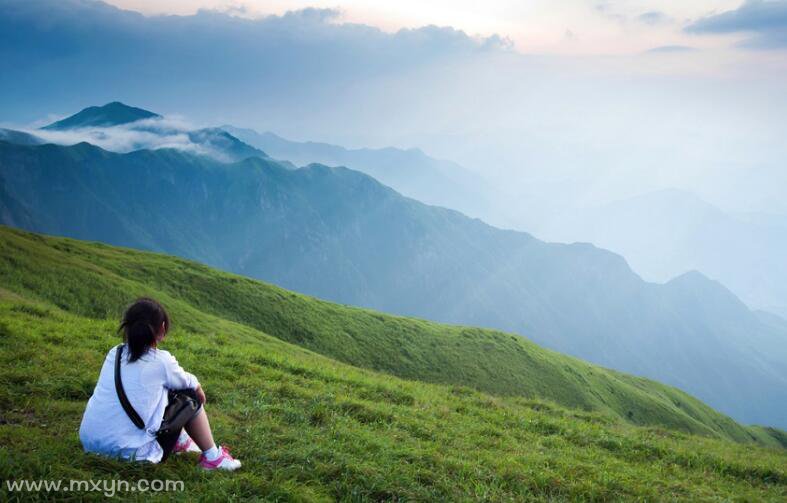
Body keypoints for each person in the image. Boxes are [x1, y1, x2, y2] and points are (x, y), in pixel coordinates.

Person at [79, 297, 241, 471]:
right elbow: (191, 385)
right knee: (189, 396)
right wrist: (199, 394)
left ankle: (181, 441)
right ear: (162, 329)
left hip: (91, 443)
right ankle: (213, 458)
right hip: (131, 454)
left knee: (163, 390)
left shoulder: (115, 353)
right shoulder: (161, 361)